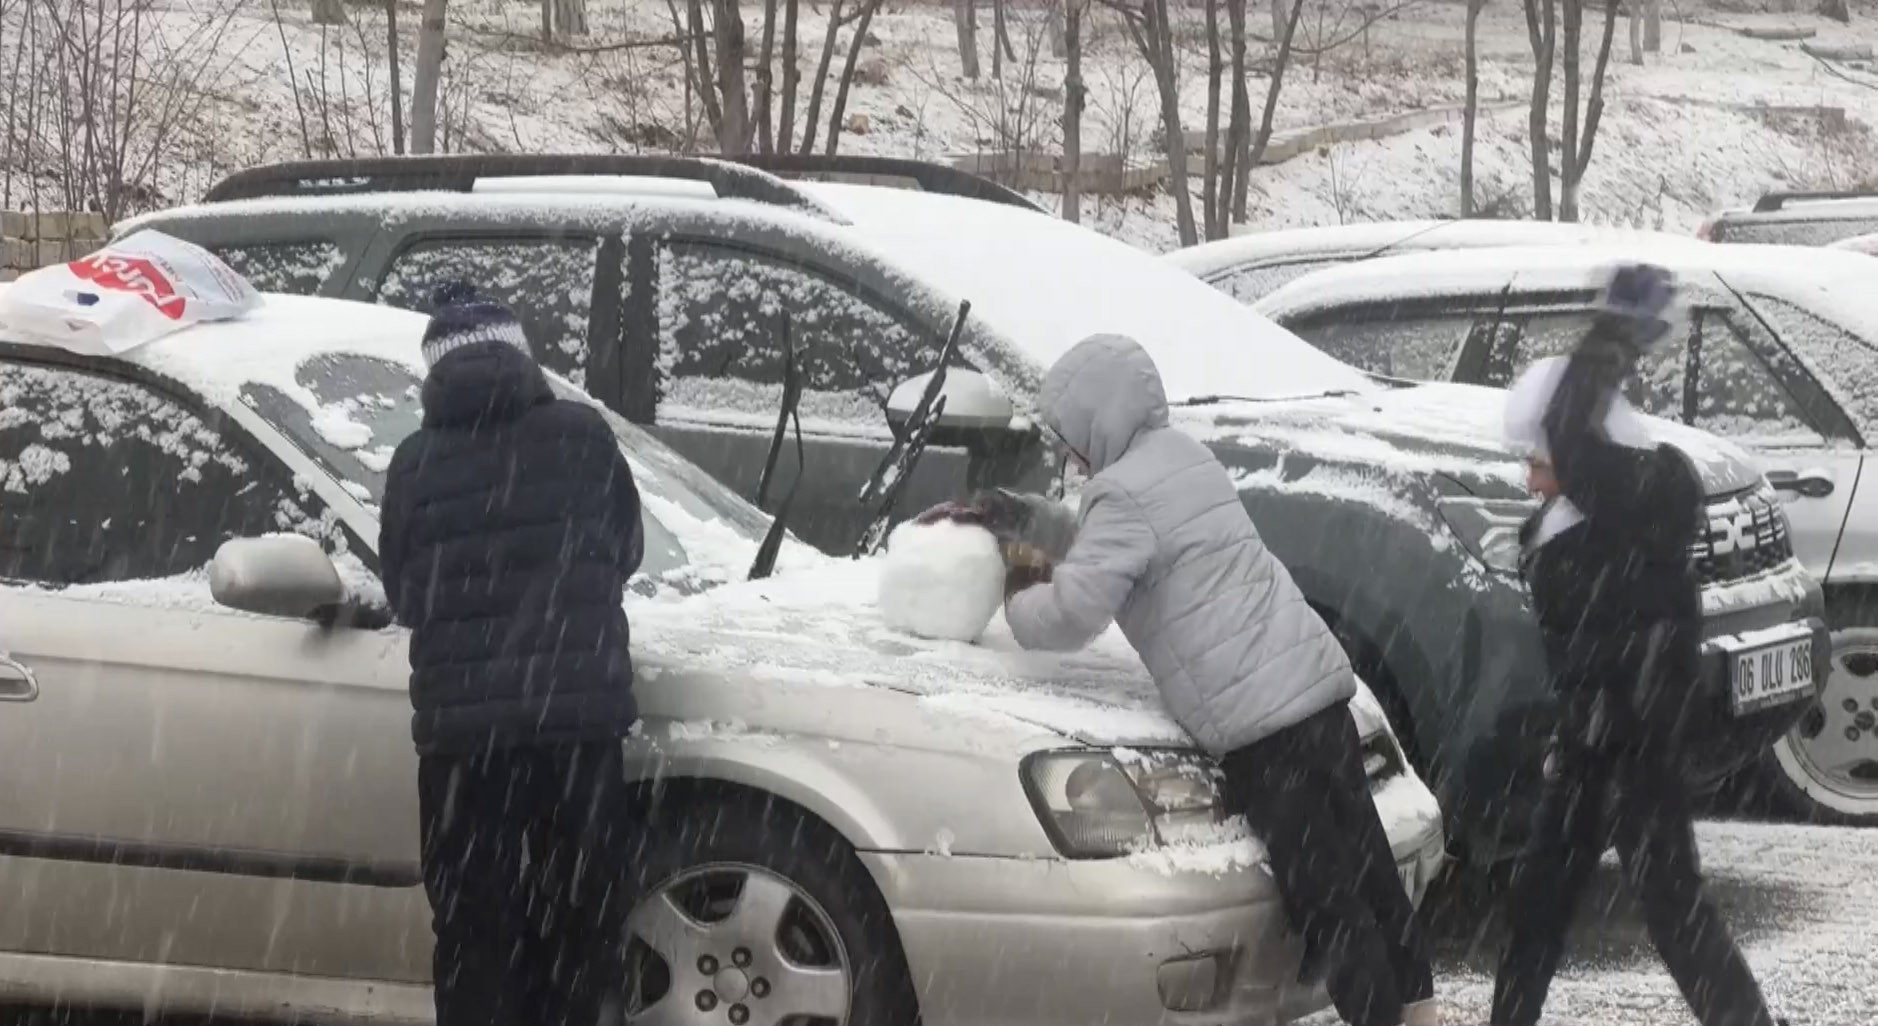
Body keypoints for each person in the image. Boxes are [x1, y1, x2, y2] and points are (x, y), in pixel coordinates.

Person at [925, 334, 1438, 1026]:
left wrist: (1016, 586)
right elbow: (1110, 541)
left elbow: (1073, 613)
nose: (1070, 456)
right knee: (1368, 868)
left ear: (1097, 420)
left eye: (1071, 439)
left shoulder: (1119, 494)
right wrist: (1024, 517)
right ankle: (1419, 1008)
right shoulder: (1180, 458)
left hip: (1260, 724)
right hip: (1315, 692)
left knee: (1324, 896)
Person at [1491, 264, 1778, 1026]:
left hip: (1635, 741)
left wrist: (1612, 334)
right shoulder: (1576, 520)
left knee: (1668, 907)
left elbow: (1570, 425)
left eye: (1538, 462)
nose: (1529, 477)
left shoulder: (1631, 503)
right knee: (1541, 903)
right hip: (1595, 740)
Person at [379, 283, 645, 1026]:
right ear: (524, 361)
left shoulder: (413, 462)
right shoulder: (584, 436)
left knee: (474, 927)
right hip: (578, 726)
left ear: (434, 375)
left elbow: (405, 594)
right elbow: (626, 550)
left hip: (465, 746)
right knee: (584, 918)